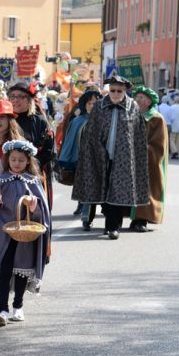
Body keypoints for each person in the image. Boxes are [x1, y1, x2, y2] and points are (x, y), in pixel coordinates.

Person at [0, 140, 50, 326]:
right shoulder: (0, 180)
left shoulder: (33, 182)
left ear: (28, 161)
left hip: (25, 233)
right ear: (7, 160)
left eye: (20, 160)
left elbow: (41, 211)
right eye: (13, 159)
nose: (16, 163)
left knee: (22, 270)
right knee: (5, 268)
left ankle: (18, 306)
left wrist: (32, 203)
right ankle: (2, 308)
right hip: (3, 232)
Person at [72, 75, 149, 240]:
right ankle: (109, 220)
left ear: (125, 91)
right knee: (103, 189)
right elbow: (91, 131)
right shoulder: (99, 106)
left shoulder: (132, 107)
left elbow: (138, 134)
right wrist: (91, 153)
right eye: (112, 90)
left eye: (119, 91)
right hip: (101, 155)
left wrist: (137, 157)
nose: (115, 93)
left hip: (123, 157)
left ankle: (113, 227)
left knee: (117, 190)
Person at [8, 82, 55, 212]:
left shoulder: (39, 121)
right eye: (13, 96)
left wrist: (28, 167)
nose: (16, 100)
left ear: (29, 100)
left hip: (33, 174)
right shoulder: (6, 118)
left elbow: (48, 151)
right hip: (8, 175)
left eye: (21, 96)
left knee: (33, 215)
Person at [59, 90, 101, 229]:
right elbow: (70, 142)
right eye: (89, 103)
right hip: (81, 161)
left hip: (99, 161)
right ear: (85, 104)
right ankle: (86, 217)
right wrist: (66, 159)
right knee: (86, 188)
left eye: (95, 103)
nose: (92, 106)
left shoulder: (103, 120)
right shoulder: (77, 121)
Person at [129, 87, 168, 232]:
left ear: (149, 102)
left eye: (141, 98)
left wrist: (141, 150)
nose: (137, 100)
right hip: (131, 160)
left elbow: (158, 144)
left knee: (147, 190)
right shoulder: (132, 115)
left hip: (148, 161)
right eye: (136, 97)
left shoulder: (156, 118)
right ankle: (133, 218)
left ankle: (142, 220)